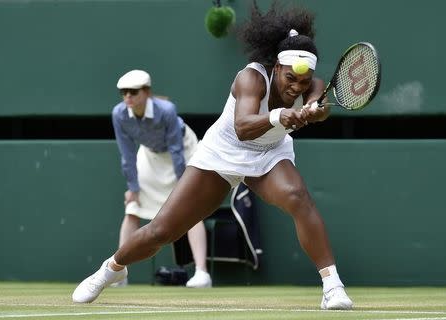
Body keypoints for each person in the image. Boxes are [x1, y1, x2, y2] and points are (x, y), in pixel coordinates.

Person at [72, 1, 353, 310]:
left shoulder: (313, 85)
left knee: (298, 196)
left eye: (302, 81)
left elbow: (320, 106)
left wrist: (315, 110)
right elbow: (244, 127)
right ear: (276, 68)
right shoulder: (251, 78)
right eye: (290, 79)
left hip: (270, 154)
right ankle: (110, 270)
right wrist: (280, 116)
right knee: (161, 231)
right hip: (222, 151)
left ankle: (332, 286)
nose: (296, 87)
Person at [110, 69, 212, 288]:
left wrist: (183, 184)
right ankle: (118, 273)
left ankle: (202, 273)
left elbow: (176, 150)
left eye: (133, 92)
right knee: (132, 209)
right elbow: (126, 153)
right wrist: (132, 187)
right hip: (150, 156)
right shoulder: (119, 114)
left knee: (191, 210)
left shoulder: (167, 110)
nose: (128, 97)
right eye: (123, 92)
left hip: (183, 151)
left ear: (146, 92)